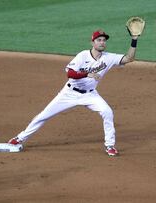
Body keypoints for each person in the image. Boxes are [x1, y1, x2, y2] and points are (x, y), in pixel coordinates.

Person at [8, 29, 140, 156]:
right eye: (99, 40)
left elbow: (129, 58)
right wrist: (87, 74)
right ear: (92, 42)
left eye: (104, 40)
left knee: (107, 112)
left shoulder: (108, 57)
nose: (102, 42)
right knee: (44, 115)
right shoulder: (82, 55)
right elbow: (70, 73)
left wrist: (134, 40)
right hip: (69, 94)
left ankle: (110, 146)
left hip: (90, 94)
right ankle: (20, 138)